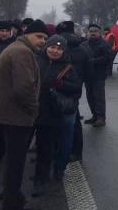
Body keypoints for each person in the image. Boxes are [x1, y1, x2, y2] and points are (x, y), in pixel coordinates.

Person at [0, 20, 48, 210]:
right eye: (39, 36)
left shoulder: (15, 47)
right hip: (15, 118)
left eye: (45, 38)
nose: (43, 41)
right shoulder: (23, 52)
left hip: (0, 115)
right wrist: (33, 109)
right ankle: (11, 203)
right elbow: (24, 88)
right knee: (15, 165)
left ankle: (13, 198)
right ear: (27, 34)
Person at [32, 35, 81, 196]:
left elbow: (76, 89)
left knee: (54, 146)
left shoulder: (68, 67)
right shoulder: (36, 61)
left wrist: (61, 84)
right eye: (53, 47)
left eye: (59, 49)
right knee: (39, 147)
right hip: (36, 111)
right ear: (47, 47)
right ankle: (38, 177)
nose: (55, 51)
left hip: (56, 113)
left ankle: (50, 174)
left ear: (64, 51)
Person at [56, 21, 90, 162]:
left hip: (56, 89)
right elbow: (89, 73)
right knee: (74, 122)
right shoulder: (83, 49)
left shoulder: (56, 47)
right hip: (74, 91)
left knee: (56, 124)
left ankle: (57, 153)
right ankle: (76, 152)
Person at [81, 24, 112, 127]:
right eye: (91, 31)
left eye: (95, 31)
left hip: (99, 75)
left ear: (99, 33)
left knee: (98, 97)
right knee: (90, 97)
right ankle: (94, 115)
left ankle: (101, 118)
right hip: (87, 75)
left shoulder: (104, 44)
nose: (93, 33)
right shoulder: (84, 44)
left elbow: (108, 58)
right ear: (88, 33)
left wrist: (93, 61)